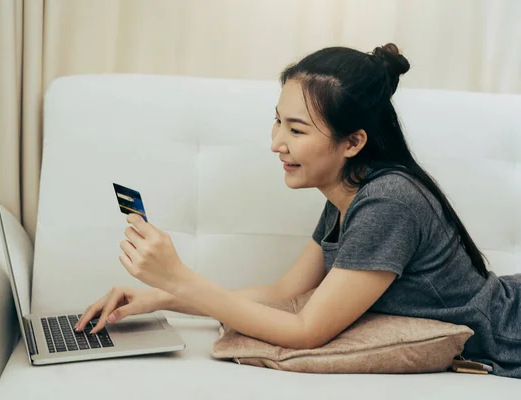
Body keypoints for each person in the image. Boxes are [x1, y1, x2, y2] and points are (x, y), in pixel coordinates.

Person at [75, 43, 521, 378]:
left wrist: (178, 278)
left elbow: (307, 329)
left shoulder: (389, 202)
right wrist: (161, 299)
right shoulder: (349, 190)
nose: (276, 143)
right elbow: (288, 290)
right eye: (277, 120)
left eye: (297, 129)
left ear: (353, 142)